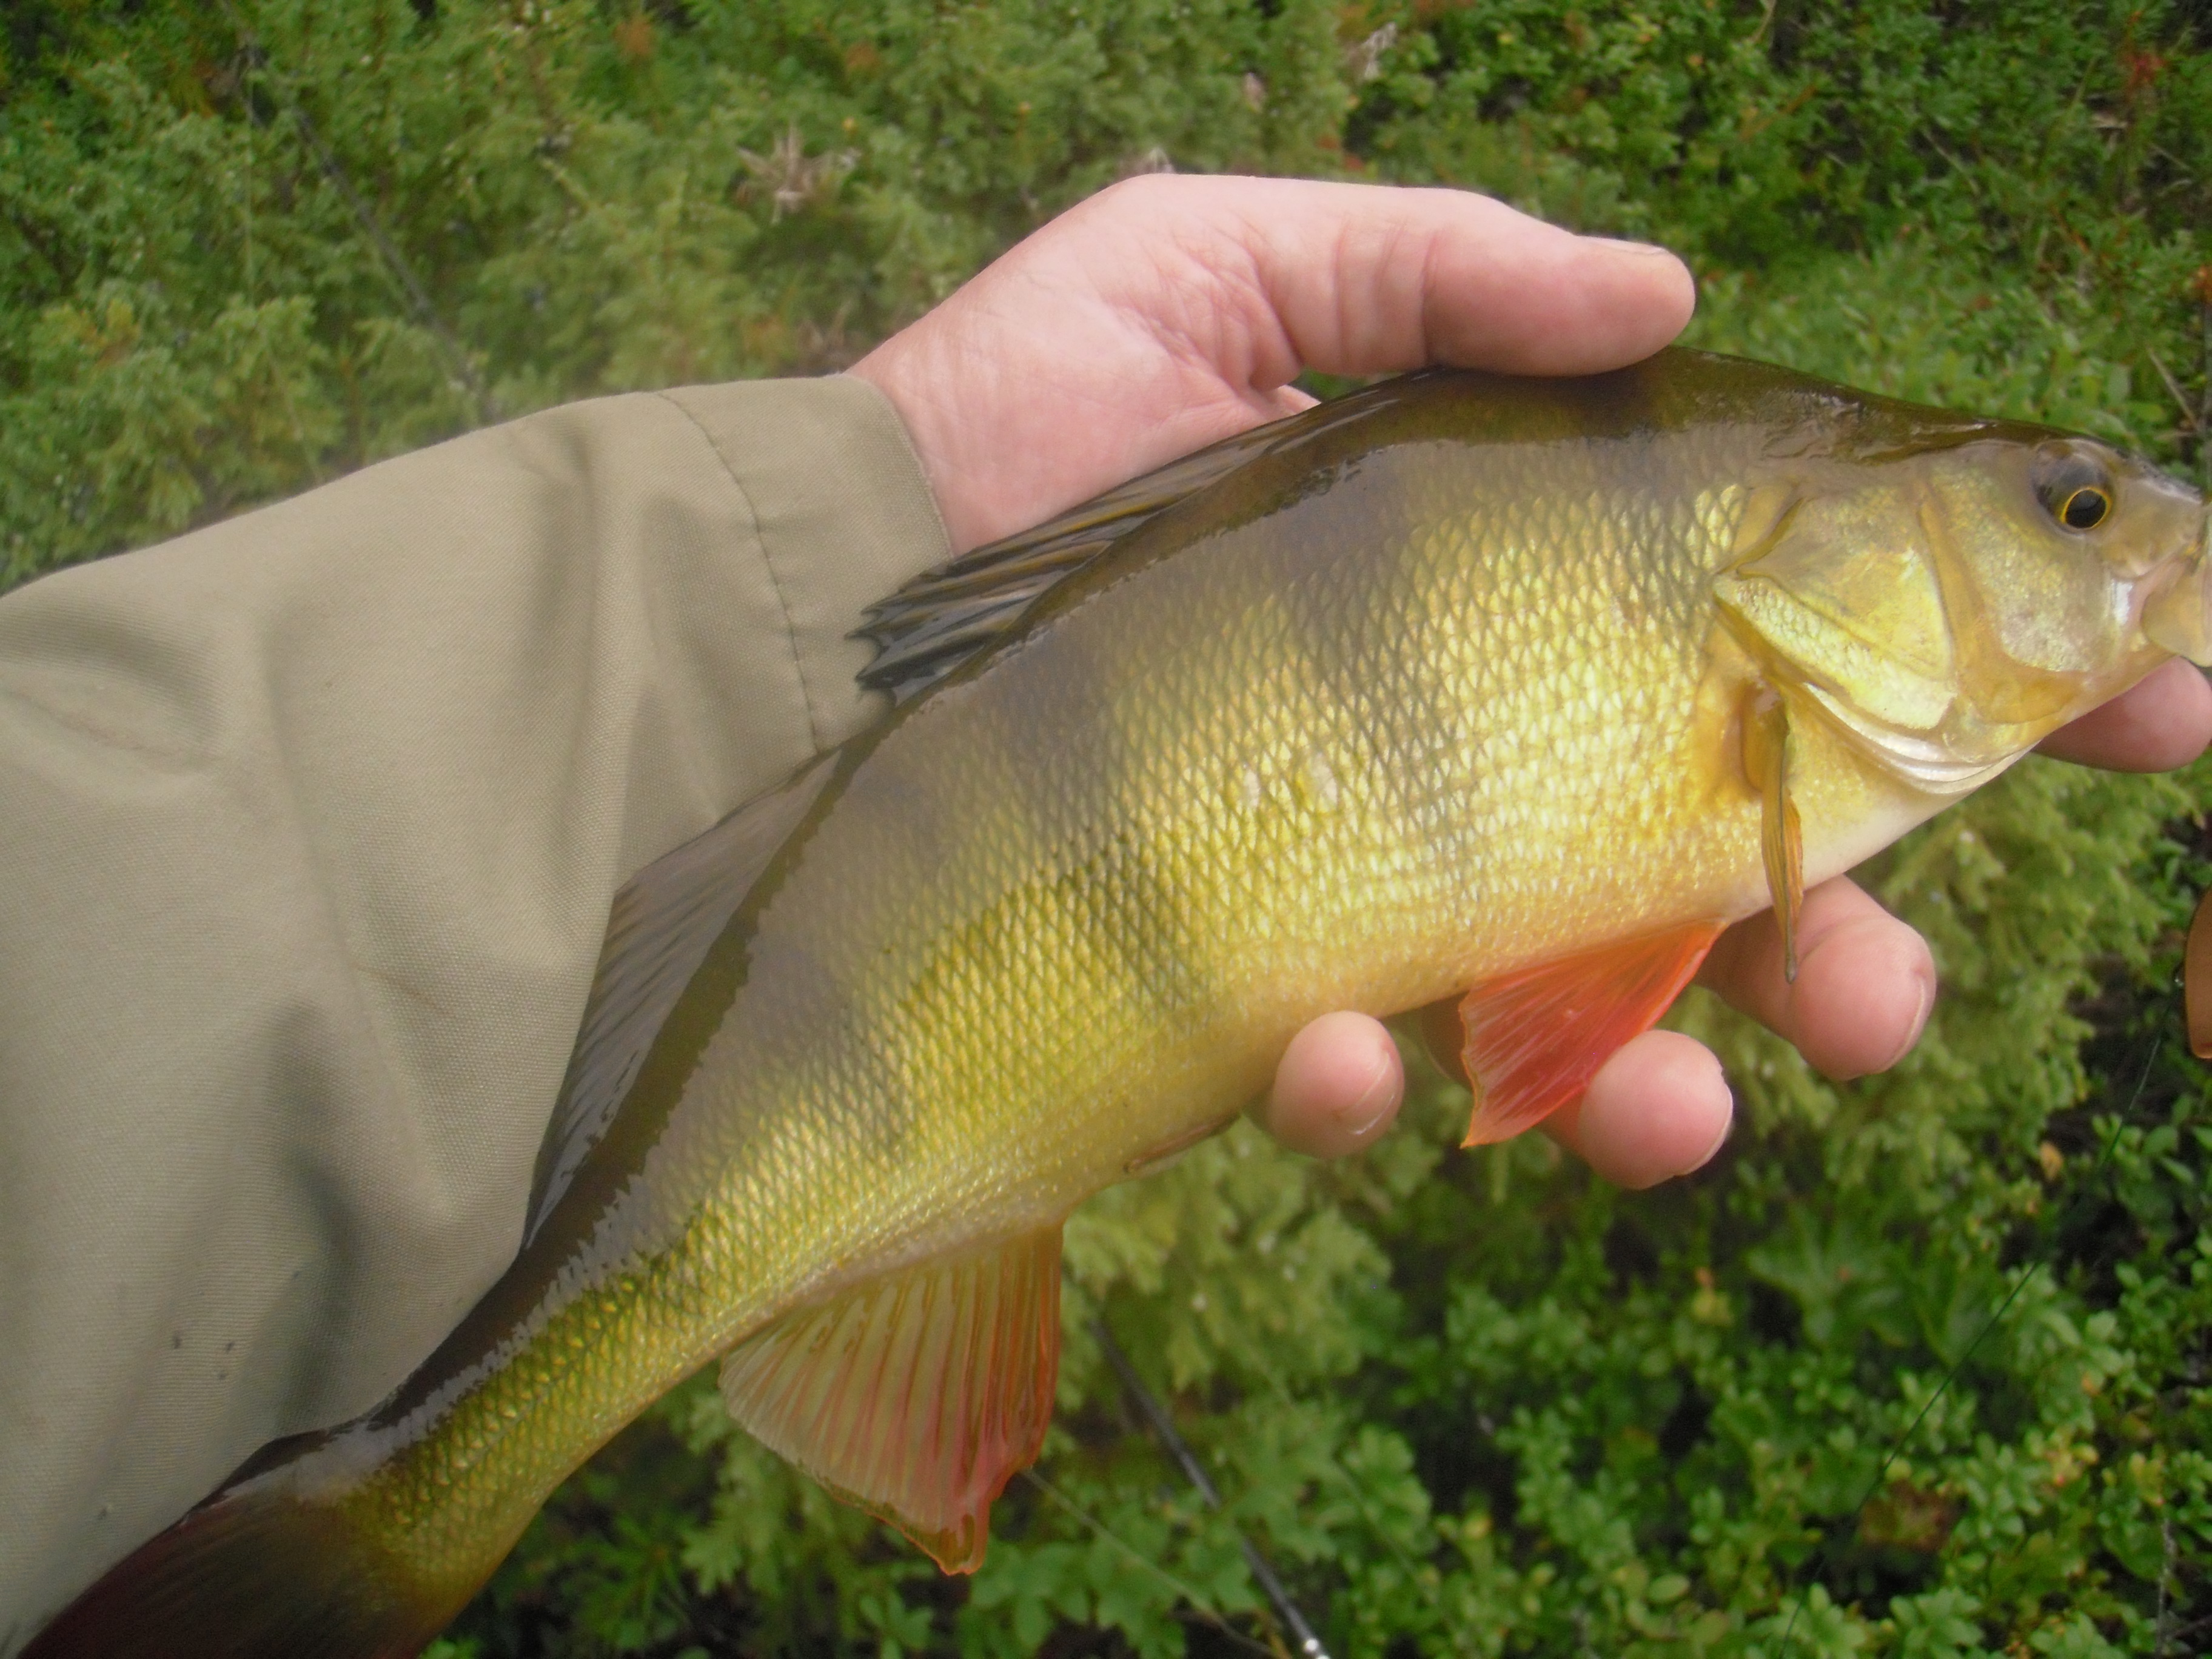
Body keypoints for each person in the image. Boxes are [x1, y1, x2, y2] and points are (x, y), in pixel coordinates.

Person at [2, 175, 2204, 1647]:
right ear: (1820, 546)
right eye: (2076, 508)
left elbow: (1571, 1007)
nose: (2131, 542)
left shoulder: (1790, 694)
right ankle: (404, 1508)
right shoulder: (1748, 643)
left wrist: (802, 540)